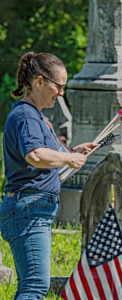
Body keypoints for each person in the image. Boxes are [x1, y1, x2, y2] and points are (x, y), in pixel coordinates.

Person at [0, 52, 96, 299]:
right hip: (28, 208)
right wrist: (69, 159)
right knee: (34, 287)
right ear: (39, 82)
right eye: (59, 86)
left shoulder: (34, 116)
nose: (61, 93)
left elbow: (39, 155)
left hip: (30, 208)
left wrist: (72, 151)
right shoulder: (26, 115)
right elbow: (34, 155)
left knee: (32, 285)